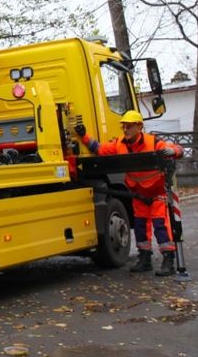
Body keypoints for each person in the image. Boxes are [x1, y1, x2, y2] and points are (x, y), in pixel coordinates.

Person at [75, 110, 183, 276]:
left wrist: (173, 152)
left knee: (160, 226)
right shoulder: (119, 144)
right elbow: (100, 149)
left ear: (139, 127)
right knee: (140, 228)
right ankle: (145, 258)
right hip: (138, 194)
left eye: (129, 126)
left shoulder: (153, 142)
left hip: (156, 192)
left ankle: (169, 260)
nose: (125, 130)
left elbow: (177, 149)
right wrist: (84, 136)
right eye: (124, 126)